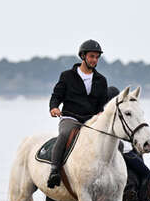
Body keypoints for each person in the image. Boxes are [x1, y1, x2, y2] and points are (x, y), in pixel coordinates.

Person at [47, 39, 109, 188]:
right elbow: (56, 96)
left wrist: (102, 114)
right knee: (64, 134)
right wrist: (54, 107)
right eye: (92, 56)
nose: (94, 60)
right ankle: (54, 170)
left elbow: (103, 105)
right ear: (83, 56)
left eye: (97, 57)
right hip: (71, 117)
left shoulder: (101, 80)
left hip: (92, 121)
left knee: (112, 141)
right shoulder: (67, 76)